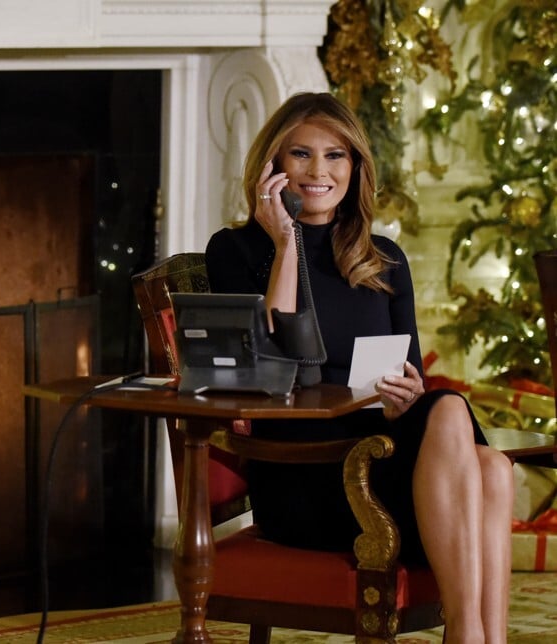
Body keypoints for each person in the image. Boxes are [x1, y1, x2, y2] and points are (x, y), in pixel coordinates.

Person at [204, 92, 514, 644]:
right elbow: (277, 360)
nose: (318, 171)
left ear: (356, 167)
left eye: (336, 156)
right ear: (272, 166)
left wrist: (406, 393)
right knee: (460, 424)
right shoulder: (234, 250)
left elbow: (411, 378)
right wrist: (286, 242)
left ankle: (481, 638)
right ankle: (466, 635)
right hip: (304, 472)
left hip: (381, 462)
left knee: (490, 466)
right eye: (300, 154)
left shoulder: (385, 258)